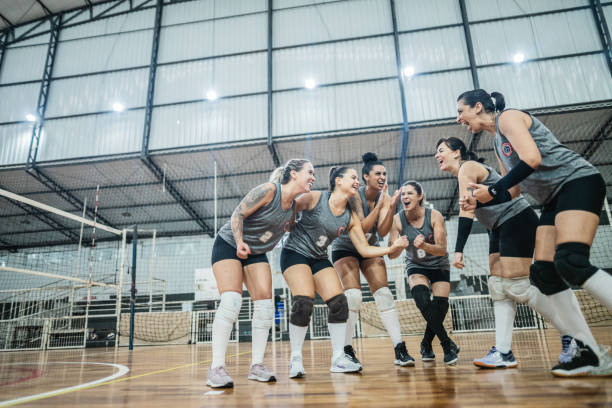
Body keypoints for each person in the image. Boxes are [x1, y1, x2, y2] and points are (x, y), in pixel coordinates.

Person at [456, 89, 612, 376]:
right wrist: (477, 199)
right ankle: (591, 352)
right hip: (553, 198)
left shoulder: (509, 118)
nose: (459, 118)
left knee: (571, 260)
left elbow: (532, 158)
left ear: (477, 107)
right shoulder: (496, 141)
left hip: (578, 181)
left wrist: (490, 189)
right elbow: (512, 190)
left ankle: (588, 350)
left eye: (461, 111)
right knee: (543, 272)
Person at [435, 137, 578, 368]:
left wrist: (458, 250)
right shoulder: (463, 172)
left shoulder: (467, 168)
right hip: (499, 226)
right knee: (499, 287)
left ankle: (572, 336)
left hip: (517, 219)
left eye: (441, 150)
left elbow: (466, 213)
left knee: (516, 285)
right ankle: (503, 352)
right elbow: (472, 207)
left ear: (457, 152)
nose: (436, 155)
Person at [281, 166, 409, 378]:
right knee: (304, 301)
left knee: (340, 302)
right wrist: (288, 226)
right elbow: (289, 208)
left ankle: (339, 357)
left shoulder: (349, 218)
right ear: (338, 181)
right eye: (353, 177)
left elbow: (364, 249)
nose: (357, 181)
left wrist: (391, 249)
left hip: (318, 257)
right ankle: (295, 358)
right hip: (295, 253)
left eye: (358, 178)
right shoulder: (315, 198)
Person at [206, 159, 314, 388]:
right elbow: (237, 215)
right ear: (293, 174)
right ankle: (216, 368)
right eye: (310, 172)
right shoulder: (269, 190)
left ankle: (256, 366)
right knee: (232, 300)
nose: (313, 177)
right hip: (229, 243)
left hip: (256, 252)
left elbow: (295, 227)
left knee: (265, 305)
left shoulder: (293, 208)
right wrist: (239, 241)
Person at [331, 153, 413, 367]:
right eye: (378, 173)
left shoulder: (385, 197)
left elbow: (383, 230)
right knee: (354, 296)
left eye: (385, 173)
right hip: (346, 247)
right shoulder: (355, 195)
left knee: (384, 295)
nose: (383, 176)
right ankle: (347, 349)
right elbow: (364, 227)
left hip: (371, 247)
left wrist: (392, 205)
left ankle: (400, 348)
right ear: (366, 177)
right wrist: (379, 207)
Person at [388, 181, 459, 365]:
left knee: (441, 305)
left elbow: (442, 249)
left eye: (410, 193)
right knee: (421, 299)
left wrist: (425, 245)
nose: (405, 197)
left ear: (420, 196)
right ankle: (446, 344)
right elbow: (392, 255)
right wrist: (397, 246)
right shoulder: (397, 219)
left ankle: (426, 344)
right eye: (403, 194)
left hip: (438, 263)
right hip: (416, 264)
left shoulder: (434, 216)